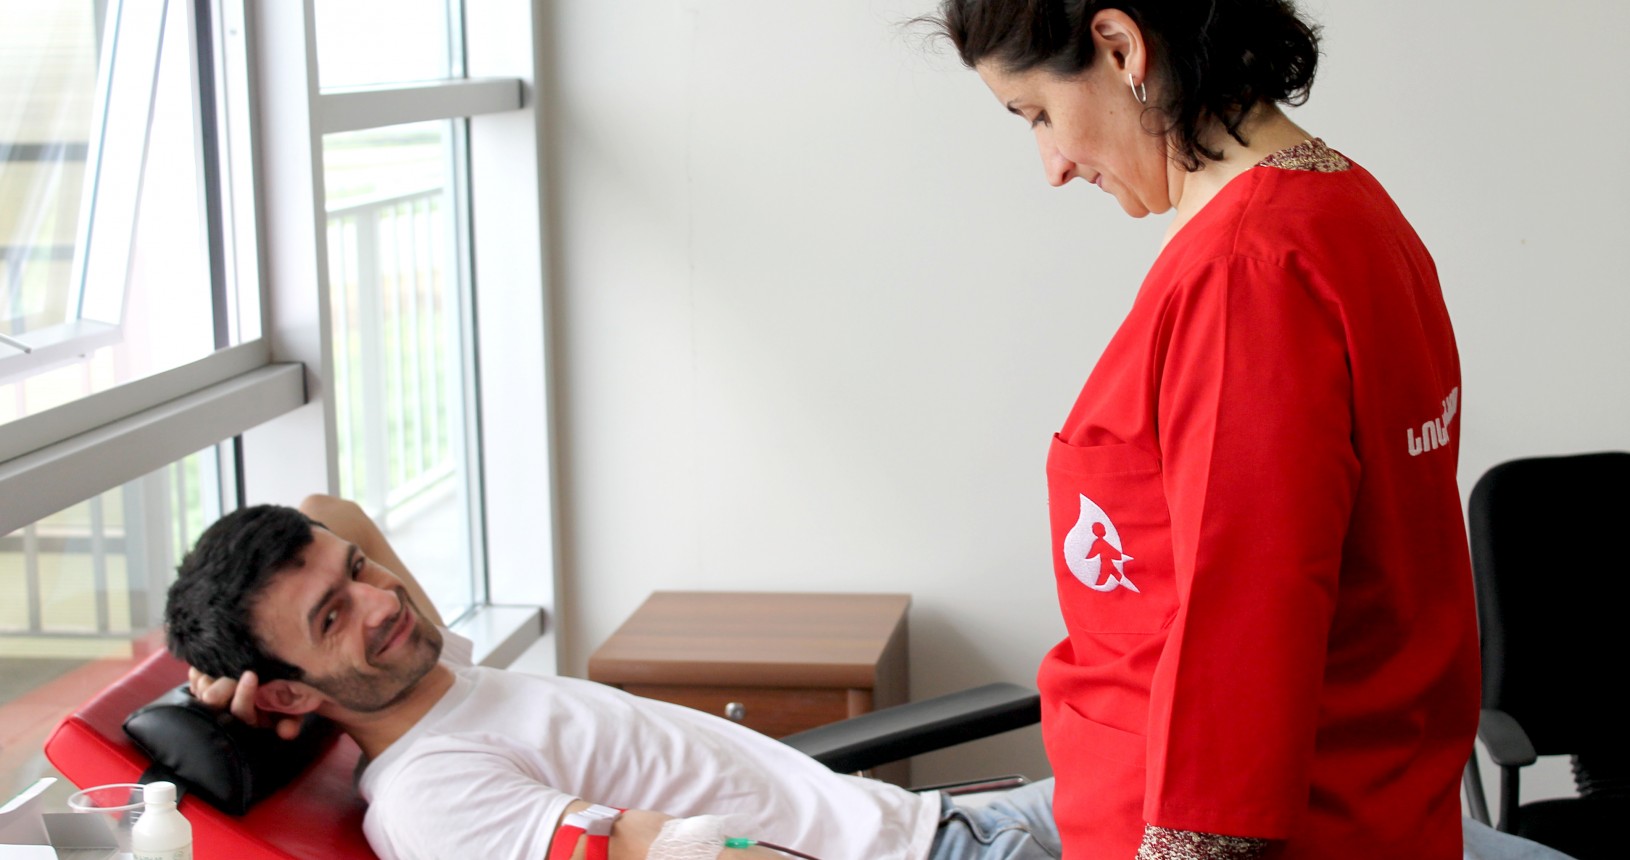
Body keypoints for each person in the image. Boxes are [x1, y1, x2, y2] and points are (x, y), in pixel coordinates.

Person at [927, 2, 1485, 859]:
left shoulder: (1246, 276)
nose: (1053, 165)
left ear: (1120, 48)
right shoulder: (1350, 213)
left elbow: (1246, 628)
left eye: (1037, 113)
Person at [163, 495, 1062, 860]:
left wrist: (241, 671)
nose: (379, 600)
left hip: (934, 821)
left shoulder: (429, 675)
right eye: (331, 617)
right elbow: (676, 856)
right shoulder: (434, 795)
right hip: (932, 856)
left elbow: (331, 513)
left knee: (1155, 776)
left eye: (356, 571)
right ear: (289, 691)